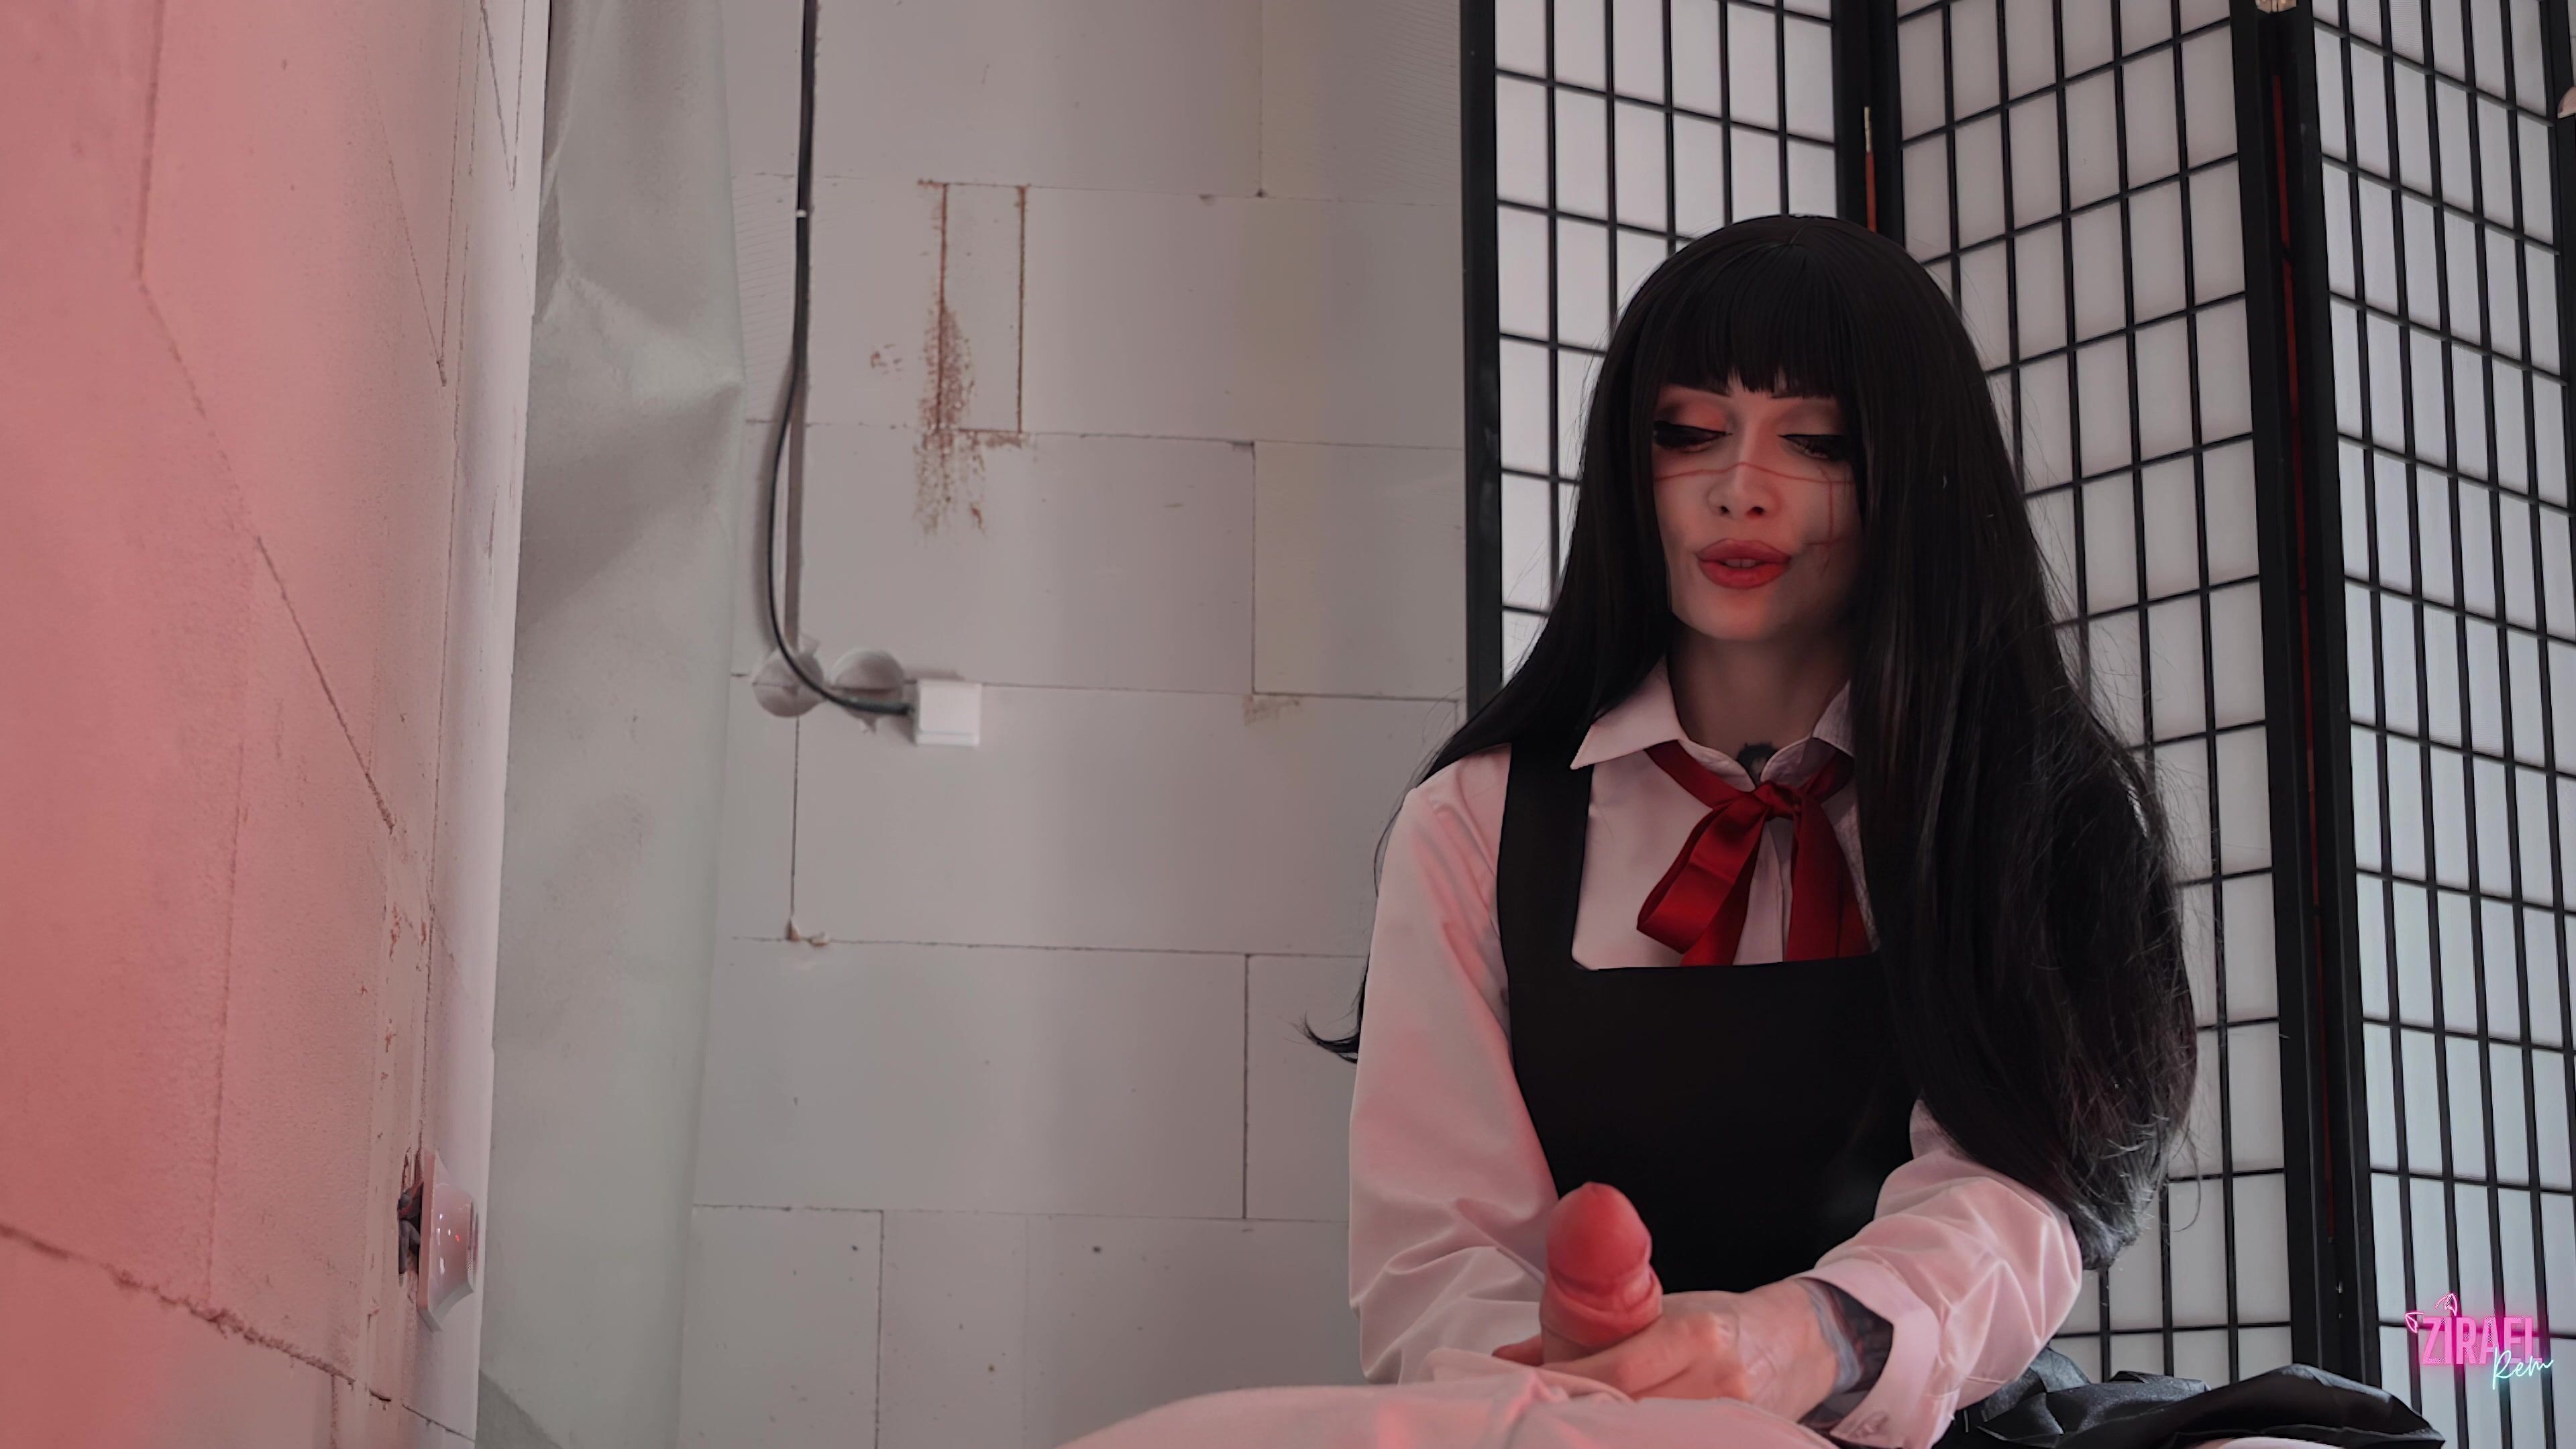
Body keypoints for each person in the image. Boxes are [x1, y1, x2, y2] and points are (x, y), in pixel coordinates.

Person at [1057, 215, 2438, 1449]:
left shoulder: (2032, 812)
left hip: (1932, 1423)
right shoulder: (1475, 823)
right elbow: (1442, 1255)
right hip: (1579, 1427)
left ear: (1914, 476)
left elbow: (2012, 1205)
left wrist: (1792, 1347)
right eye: (1689, 433)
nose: (1741, 487)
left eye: (1817, 443)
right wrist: (1612, 1394)